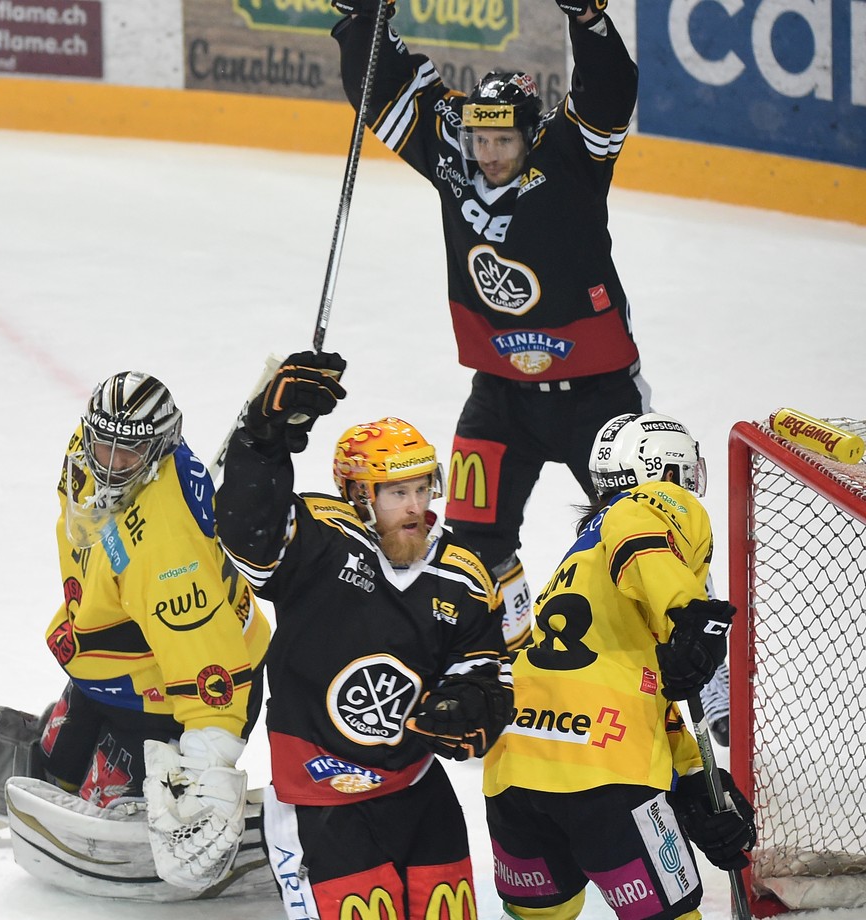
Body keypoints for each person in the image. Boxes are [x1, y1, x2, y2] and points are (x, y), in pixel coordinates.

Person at [329, 0, 650, 652]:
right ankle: (501, 664)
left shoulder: (571, 155)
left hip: (599, 399)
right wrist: (363, 20)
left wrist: (588, 22)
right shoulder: (454, 152)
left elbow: (610, 90)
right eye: (481, 140)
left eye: (504, 141)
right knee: (474, 543)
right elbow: (385, 88)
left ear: (530, 135)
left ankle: (699, 682)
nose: (490, 154)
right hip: (500, 397)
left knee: (642, 539)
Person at [215, 352, 513, 920]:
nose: (416, 508)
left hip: (417, 790)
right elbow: (248, 529)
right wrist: (264, 436)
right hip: (318, 798)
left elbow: (482, 665)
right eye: (396, 493)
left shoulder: (462, 575)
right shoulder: (319, 541)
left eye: (424, 490)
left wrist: (471, 701)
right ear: (358, 497)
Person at [0, 371, 272, 898]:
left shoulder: (166, 550)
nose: (108, 463)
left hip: (183, 690)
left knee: (117, 813)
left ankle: (176, 798)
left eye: (126, 454)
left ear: (157, 450)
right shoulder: (84, 450)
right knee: (55, 765)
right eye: (101, 445)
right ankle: (80, 745)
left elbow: (208, 660)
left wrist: (203, 772)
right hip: (118, 664)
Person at [482, 413, 757, 918]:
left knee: (537, 915)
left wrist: (693, 775)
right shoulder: (652, 507)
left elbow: (620, 678)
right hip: (607, 768)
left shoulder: (581, 559)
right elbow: (643, 534)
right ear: (666, 473)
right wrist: (688, 613)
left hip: (517, 762)